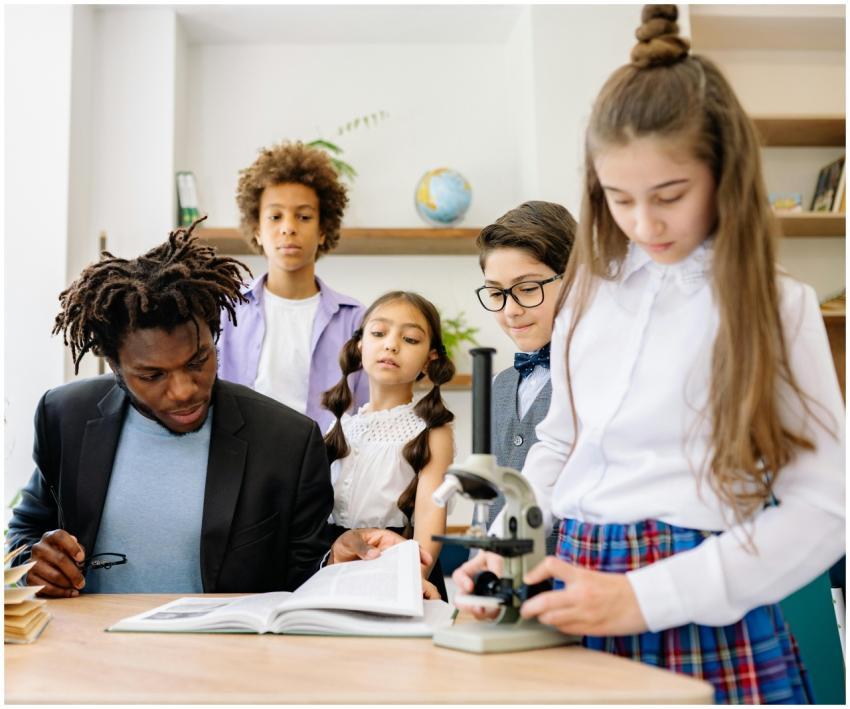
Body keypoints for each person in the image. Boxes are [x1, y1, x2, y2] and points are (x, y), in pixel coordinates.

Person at [454, 5, 844, 703]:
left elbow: (828, 508)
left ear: (726, 173)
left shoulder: (777, 306)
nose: (643, 223)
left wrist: (646, 596)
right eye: (619, 198)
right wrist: (508, 550)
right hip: (571, 579)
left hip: (695, 601)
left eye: (670, 195)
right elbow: (559, 443)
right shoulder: (586, 298)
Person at [7, 223, 428, 598]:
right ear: (114, 365)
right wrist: (32, 562)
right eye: (152, 376)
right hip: (87, 659)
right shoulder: (66, 416)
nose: (184, 391)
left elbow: (305, 569)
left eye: (197, 361)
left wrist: (336, 556)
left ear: (214, 335)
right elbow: (24, 531)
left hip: (225, 667)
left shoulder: (286, 440)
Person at [217, 141, 369, 433]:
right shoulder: (225, 311)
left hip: (326, 469)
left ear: (323, 230)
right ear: (257, 230)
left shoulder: (356, 320)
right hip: (242, 465)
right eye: (275, 216)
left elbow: (367, 414)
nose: (288, 227)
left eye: (304, 216)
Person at [322, 292, 455, 599]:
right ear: (360, 346)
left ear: (430, 357)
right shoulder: (340, 426)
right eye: (379, 333)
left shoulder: (432, 430)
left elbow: (429, 517)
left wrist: (411, 579)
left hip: (401, 567)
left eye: (410, 339)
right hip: (338, 565)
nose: (391, 344)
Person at [472, 201, 576, 554]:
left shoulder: (595, 376)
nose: (511, 310)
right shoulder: (499, 384)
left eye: (528, 289)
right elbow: (485, 505)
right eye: (497, 294)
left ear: (574, 278)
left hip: (573, 577)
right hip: (500, 578)